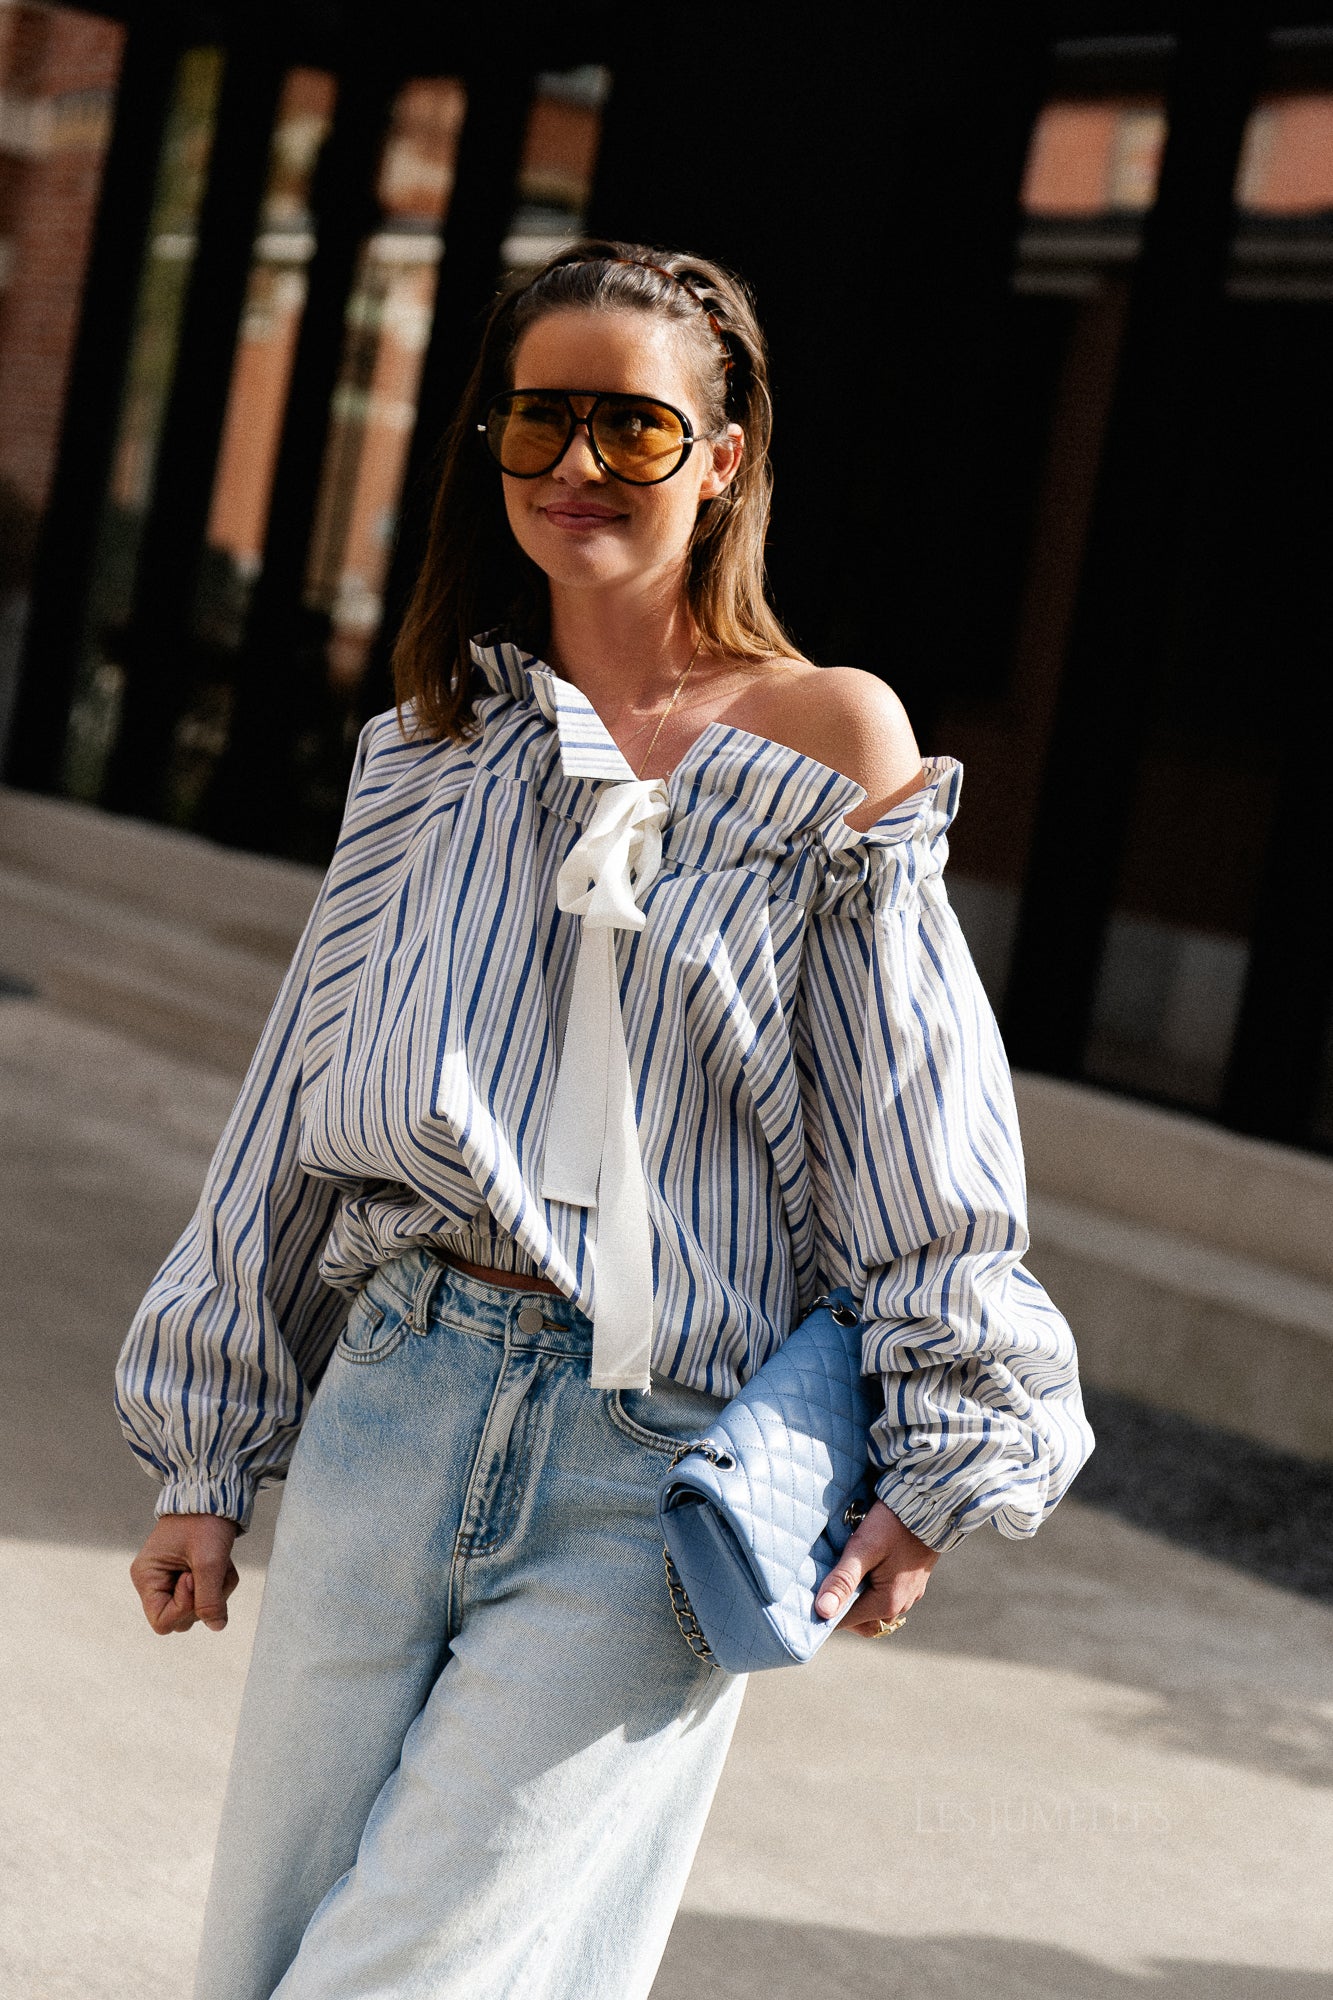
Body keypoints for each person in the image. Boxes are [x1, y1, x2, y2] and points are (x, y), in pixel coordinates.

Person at [116, 240, 1095, 2000]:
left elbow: (917, 1129)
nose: (576, 466)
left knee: (402, 1969)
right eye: (538, 422)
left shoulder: (828, 742)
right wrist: (210, 1443)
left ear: (721, 457)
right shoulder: (432, 748)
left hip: (648, 1463)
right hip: (391, 1408)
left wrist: (949, 1451)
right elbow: (295, 1107)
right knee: (275, 1953)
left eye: (632, 428)